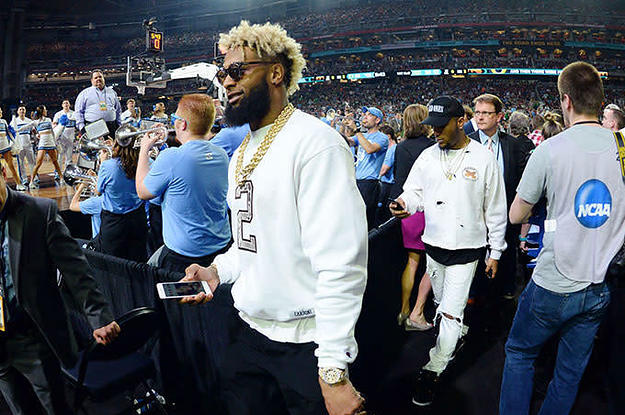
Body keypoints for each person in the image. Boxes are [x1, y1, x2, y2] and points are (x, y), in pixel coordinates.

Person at [180, 20, 368, 415]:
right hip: (247, 333)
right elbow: (249, 243)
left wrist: (333, 368)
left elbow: (341, 263)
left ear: (276, 73)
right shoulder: (243, 151)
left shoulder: (316, 144)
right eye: (222, 73)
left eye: (238, 70)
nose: (226, 81)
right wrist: (216, 271)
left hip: (305, 344)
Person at [499, 61, 625, 415]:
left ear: (566, 101)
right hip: (600, 283)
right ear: (600, 99)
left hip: (554, 281)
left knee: (520, 352)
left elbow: (516, 215)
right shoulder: (621, 146)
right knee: (569, 373)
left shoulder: (550, 149)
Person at [390, 95, 507, 407]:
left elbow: (496, 208)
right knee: (441, 304)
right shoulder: (428, 156)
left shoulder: (483, 158)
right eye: (433, 126)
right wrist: (404, 203)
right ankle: (456, 330)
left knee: (451, 311)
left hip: (467, 249)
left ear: (460, 122)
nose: (435, 131)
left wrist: (496, 251)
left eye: (441, 126)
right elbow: (414, 192)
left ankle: (434, 367)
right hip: (434, 245)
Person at [135, 93, 232, 413]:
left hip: (182, 262)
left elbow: (143, 191)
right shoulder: (221, 154)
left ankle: (182, 393)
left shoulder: (172, 157)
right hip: (220, 255)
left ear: (182, 124)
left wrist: (144, 150)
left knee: (181, 330)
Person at [0, 172, 119, 414]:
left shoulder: (39, 211)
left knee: (55, 407)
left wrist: (99, 316)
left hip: (34, 338)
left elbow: (76, 270)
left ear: (3, 173)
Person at [469, 94, 533, 300]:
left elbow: (522, 181)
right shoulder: (466, 143)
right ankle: (475, 295)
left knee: (505, 258)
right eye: (477, 113)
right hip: (473, 215)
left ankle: (504, 294)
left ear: (499, 117)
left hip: (505, 214)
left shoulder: (513, 145)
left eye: (486, 113)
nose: (480, 117)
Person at [391, 104, 434, 331]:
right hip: (428, 209)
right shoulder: (433, 147)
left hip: (408, 208)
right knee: (433, 264)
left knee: (412, 262)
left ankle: (404, 310)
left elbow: (399, 181)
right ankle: (420, 310)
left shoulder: (401, 147)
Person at [96, 129, 147, 262]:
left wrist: (102, 162)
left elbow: (98, 191)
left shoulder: (107, 166)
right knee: (137, 261)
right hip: (138, 219)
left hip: (114, 222)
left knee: (112, 263)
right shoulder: (144, 163)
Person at [343, 106, 389, 229]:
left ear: (377, 120)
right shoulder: (362, 135)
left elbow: (369, 149)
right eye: (365, 114)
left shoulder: (382, 137)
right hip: (357, 181)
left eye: (369, 115)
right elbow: (346, 142)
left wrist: (356, 130)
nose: (365, 117)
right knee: (354, 218)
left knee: (366, 220)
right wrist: (345, 126)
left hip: (370, 183)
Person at [74, 69, 122, 137]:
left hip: (111, 127)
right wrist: (81, 128)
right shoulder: (84, 93)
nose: (98, 79)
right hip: (93, 126)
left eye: (100, 77)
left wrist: (119, 124)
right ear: (92, 80)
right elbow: (78, 112)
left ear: (103, 79)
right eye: (96, 78)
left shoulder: (112, 92)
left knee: (112, 144)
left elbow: (118, 110)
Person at [28, 105, 64, 190]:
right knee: (38, 163)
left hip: (51, 143)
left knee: (55, 162)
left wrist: (55, 143)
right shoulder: (36, 122)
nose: (46, 111)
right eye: (45, 110)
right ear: (42, 111)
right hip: (42, 144)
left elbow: (52, 132)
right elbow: (27, 126)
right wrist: (17, 130)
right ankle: (31, 181)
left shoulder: (48, 120)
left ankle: (61, 178)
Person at [375, 124, 397, 226]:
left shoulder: (392, 149)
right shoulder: (388, 149)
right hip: (386, 184)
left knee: (382, 213)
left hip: (387, 185)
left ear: (388, 136)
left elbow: (384, 170)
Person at [9, 106, 36, 187]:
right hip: (19, 145)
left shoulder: (29, 121)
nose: (22, 111)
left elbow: (33, 131)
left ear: (25, 111)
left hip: (28, 144)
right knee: (21, 163)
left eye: (23, 109)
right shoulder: (14, 121)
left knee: (32, 162)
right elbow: (10, 133)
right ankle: (24, 179)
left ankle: (34, 178)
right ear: (17, 112)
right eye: (20, 109)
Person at [0, 109, 25, 191]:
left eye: (1, 111)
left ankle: (19, 184)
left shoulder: (3, 121)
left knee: (11, 166)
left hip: (5, 146)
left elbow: (9, 133)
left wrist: (14, 142)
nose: (1, 112)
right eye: (0, 111)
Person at [52, 99, 77, 172]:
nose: (66, 104)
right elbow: (54, 125)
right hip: (61, 137)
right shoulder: (58, 114)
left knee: (69, 156)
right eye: (64, 103)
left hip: (70, 136)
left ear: (69, 105)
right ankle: (58, 172)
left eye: (67, 103)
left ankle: (68, 172)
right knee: (60, 155)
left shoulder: (74, 113)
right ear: (62, 105)